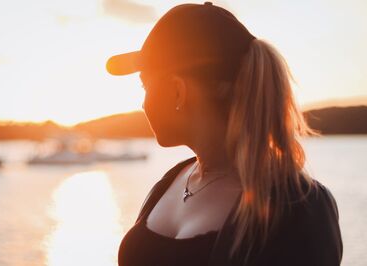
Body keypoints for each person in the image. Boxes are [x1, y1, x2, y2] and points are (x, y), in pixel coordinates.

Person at [106, 2, 343, 265]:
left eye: (144, 86)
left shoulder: (300, 207)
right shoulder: (170, 181)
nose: (142, 103)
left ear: (177, 91)